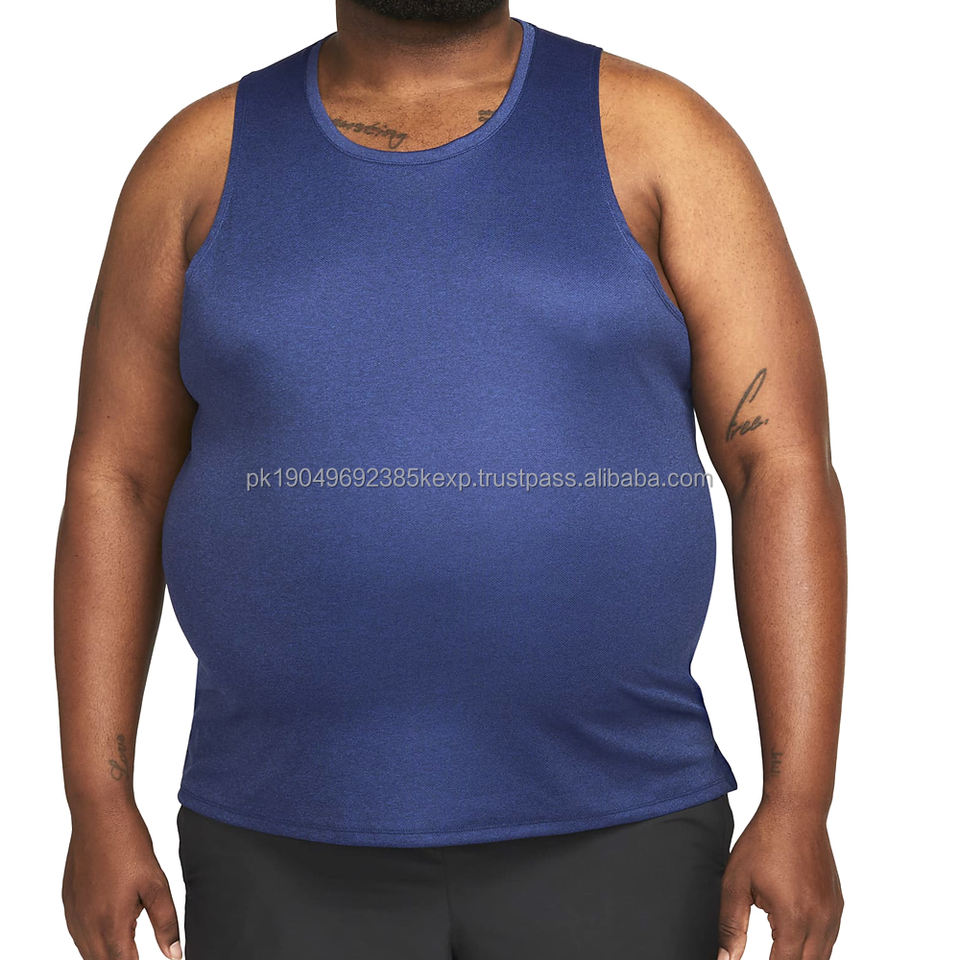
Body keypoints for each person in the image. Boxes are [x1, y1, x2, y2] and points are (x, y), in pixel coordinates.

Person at [54, 1, 846, 958]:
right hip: (276, 836)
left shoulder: (663, 138)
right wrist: (97, 803)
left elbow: (779, 466)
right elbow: (118, 481)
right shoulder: (194, 164)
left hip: (620, 825)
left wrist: (799, 803)